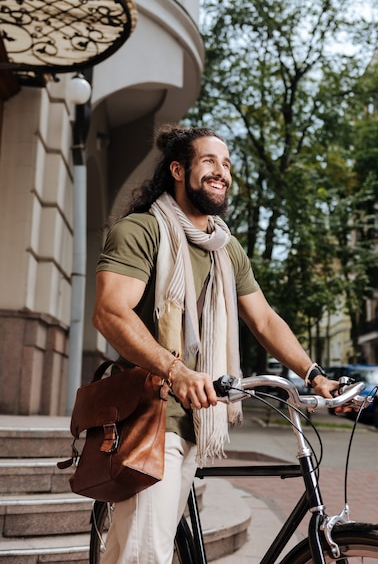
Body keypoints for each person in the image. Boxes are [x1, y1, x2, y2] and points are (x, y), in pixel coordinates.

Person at [92, 124, 340, 563]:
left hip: (199, 417)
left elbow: (263, 318)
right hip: (149, 415)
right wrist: (176, 370)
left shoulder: (226, 249)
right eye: (208, 161)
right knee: (143, 555)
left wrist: (313, 374)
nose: (221, 171)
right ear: (177, 170)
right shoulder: (142, 231)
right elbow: (111, 312)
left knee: (140, 547)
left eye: (226, 164)